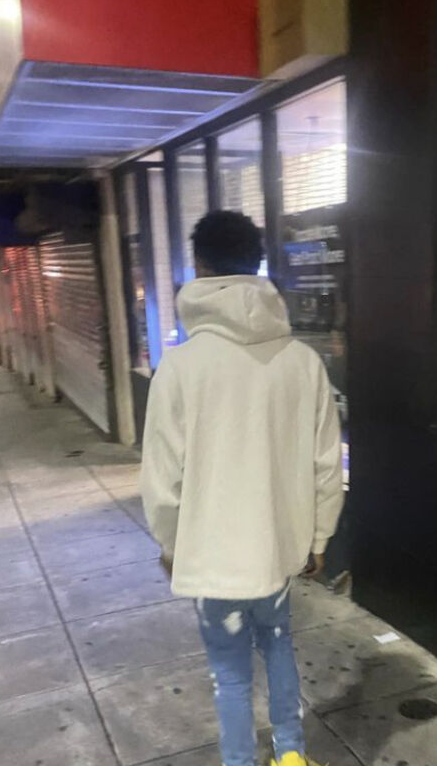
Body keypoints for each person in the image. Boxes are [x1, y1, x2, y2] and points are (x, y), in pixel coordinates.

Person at [141, 210, 344, 766]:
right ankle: (291, 755)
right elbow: (326, 463)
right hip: (277, 550)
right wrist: (319, 539)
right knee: (277, 643)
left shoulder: (180, 368)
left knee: (229, 671)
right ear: (257, 265)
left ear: (200, 267)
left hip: (212, 555)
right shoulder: (303, 363)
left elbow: (162, 477)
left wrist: (171, 546)